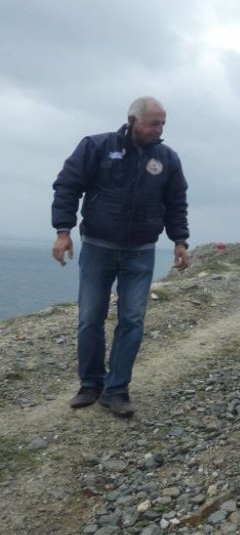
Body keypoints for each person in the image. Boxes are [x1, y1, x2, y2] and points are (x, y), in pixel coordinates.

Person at [51, 96, 190, 418]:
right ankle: (90, 384)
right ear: (132, 120)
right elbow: (67, 186)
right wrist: (62, 231)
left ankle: (117, 390)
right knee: (90, 319)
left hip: (141, 252)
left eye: (163, 123)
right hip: (98, 247)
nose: (159, 129)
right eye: (153, 123)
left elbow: (176, 202)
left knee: (132, 320)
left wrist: (180, 241)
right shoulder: (95, 147)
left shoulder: (167, 158)